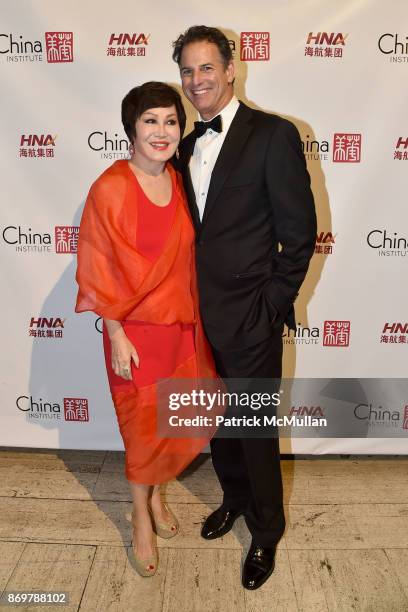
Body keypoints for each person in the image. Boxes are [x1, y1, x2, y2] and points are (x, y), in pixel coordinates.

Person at [172, 26, 317, 590]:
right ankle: (233, 498)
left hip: (252, 313)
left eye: (206, 68)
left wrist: (272, 303)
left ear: (231, 69)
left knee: (255, 428)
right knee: (218, 423)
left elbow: (299, 233)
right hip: (197, 314)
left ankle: (267, 531)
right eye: (187, 71)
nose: (196, 81)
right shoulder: (184, 145)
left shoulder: (273, 135)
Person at [75, 82, 217, 577]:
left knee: (173, 424)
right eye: (150, 120)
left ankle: (156, 499)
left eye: (171, 121)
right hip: (133, 335)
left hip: (180, 328)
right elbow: (98, 267)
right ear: (131, 128)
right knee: (141, 433)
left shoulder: (180, 181)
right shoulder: (110, 187)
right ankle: (139, 515)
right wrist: (114, 334)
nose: (162, 131)